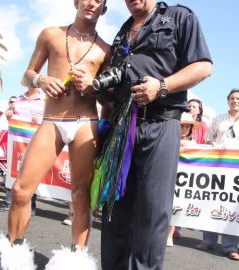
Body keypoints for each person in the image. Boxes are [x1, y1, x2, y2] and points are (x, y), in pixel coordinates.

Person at [0, 1, 110, 269]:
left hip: (86, 122)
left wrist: (93, 87)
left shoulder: (105, 49)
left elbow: (109, 97)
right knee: (20, 190)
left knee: (81, 196)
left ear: (104, 8)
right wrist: (41, 81)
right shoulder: (50, 34)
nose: (91, 2)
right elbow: (26, 75)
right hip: (52, 119)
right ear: (76, 2)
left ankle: (76, 261)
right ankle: (12, 254)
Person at [100, 1, 212, 269]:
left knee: (152, 214)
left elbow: (203, 66)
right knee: (114, 212)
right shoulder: (122, 32)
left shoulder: (179, 16)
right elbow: (113, 96)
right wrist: (96, 90)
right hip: (121, 129)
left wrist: (161, 87)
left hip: (161, 124)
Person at [195, 88, 239, 260]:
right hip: (216, 168)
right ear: (228, 101)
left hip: (235, 171)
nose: (235, 101)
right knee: (212, 202)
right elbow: (208, 139)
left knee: (232, 207)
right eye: (233, 98)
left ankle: (231, 246)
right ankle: (208, 240)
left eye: (238, 98)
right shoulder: (218, 119)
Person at [0, 89, 43, 214]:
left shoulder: (45, 100)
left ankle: (30, 205)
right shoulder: (18, 99)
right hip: (16, 140)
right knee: (12, 171)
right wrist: (9, 115)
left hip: (35, 140)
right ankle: (9, 202)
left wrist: (40, 119)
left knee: (31, 173)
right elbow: (10, 116)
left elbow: (50, 121)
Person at [167, 112, 200, 247]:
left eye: (187, 127)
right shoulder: (168, 139)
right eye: (182, 126)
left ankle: (170, 235)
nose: (185, 129)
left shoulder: (194, 144)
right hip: (168, 174)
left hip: (183, 181)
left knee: (176, 206)